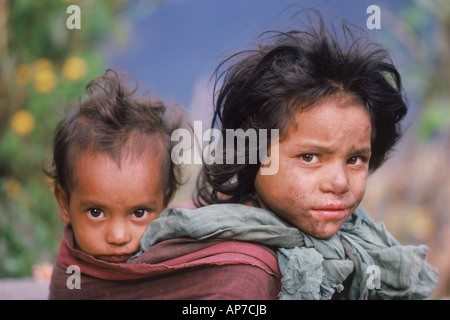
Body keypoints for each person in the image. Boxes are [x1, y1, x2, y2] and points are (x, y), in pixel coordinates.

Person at [134, 13, 440, 299]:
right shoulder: (241, 279)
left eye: (355, 159)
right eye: (309, 157)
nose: (339, 182)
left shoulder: (360, 244)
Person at [45, 69, 281, 299]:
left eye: (139, 213)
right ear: (64, 203)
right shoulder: (72, 275)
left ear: (164, 201)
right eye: (96, 212)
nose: (118, 236)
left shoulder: (186, 256)